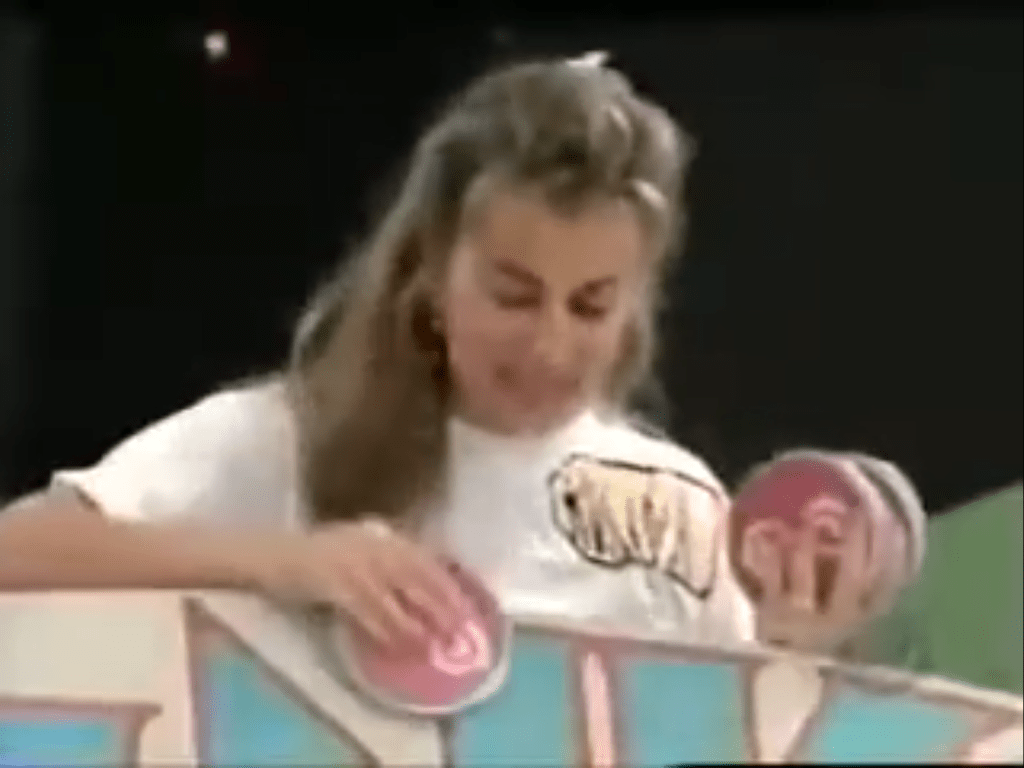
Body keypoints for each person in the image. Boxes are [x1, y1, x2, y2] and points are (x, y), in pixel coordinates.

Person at [0, 52, 754, 652]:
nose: (551, 345)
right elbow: (17, 550)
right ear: (430, 271)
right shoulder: (286, 436)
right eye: (513, 297)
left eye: (591, 305)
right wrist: (287, 562)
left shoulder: (678, 504)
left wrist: (794, 647)